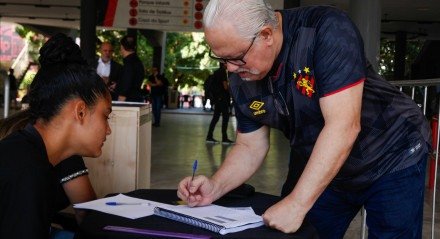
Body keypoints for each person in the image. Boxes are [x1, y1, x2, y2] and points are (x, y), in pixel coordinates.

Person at [177, 1, 431, 238]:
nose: (230, 69)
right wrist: (216, 186)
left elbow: (343, 126)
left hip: (391, 151)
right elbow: (249, 145)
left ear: (266, 35)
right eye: (221, 59)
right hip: (321, 158)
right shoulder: (240, 72)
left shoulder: (325, 30)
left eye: (235, 57)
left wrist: (298, 203)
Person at [0, 33, 111, 239]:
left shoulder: (29, 149)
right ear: (80, 112)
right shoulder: (29, 171)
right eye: (106, 116)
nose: (109, 129)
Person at [205, 63, 234, 144]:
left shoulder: (217, 72)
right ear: (224, 64)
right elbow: (225, 86)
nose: (228, 64)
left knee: (215, 118)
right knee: (226, 117)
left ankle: (209, 137)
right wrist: (230, 89)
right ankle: (224, 138)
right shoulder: (222, 72)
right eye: (227, 62)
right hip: (222, 98)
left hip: (217, 98)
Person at [116, 35, 145, 102]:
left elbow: (127, 82)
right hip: (136, 98)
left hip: (128, 101)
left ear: (122, 47)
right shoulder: (138, 62)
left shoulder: (128, 63)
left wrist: (121, 99)